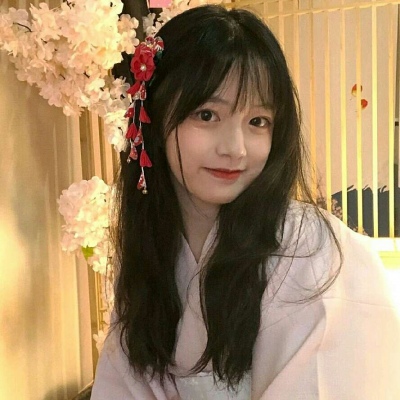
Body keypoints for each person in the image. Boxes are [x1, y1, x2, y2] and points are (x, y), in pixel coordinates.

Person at [91, 5, 400, 399]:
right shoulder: (149, 252)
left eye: (257, 122)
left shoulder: (313, 251)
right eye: (207, 115)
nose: (235, 149)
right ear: (154, 119)